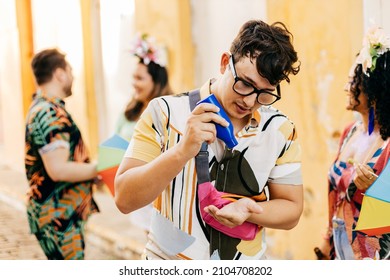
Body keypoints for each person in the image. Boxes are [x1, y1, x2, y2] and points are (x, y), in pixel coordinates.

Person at [115, 19, 303, 260]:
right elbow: (124, 199)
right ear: (225, 63)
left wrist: (249, 211)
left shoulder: (280, 129)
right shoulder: (164, 112)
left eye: (264, 94)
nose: (249, 101)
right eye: (245, 84)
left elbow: (292, 210)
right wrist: (182, 151)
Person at [319, 26, 390, 260]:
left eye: (352, 82)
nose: (345, 88)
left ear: (372, 88)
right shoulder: (349, 132)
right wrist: (325, 244)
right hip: (339, 244)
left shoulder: (387, 146)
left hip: (372, 254)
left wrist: (376, 188)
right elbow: (333, 191)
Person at [25, 48, 100, 260]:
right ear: (59, 74)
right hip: (59, 216)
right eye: (70, 70)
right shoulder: (50, 113)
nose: (73, 76)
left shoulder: (42, 108)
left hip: (59, 213)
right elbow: (58, 170)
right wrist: (100, 167)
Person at [115, 33, 173, 232]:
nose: (134, 83)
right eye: (133, 77)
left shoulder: (169, 114)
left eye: (140, 78)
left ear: (156, 82)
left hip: (161, 197)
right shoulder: (129, 112)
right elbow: (113, 146)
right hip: (136, 193)